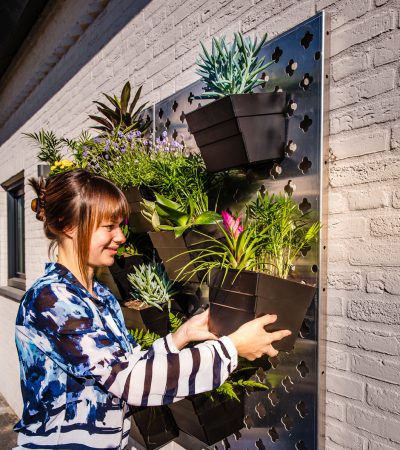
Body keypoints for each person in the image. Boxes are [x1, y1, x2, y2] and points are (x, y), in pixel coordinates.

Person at [14, 169, 291, 449]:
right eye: (108, 227)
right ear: (68, 226)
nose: (121, 237)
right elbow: (130, 382)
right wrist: (231, 348)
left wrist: (180, 336)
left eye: (119, 226)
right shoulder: (52, 300)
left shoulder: (99, 296)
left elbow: (125, 365)